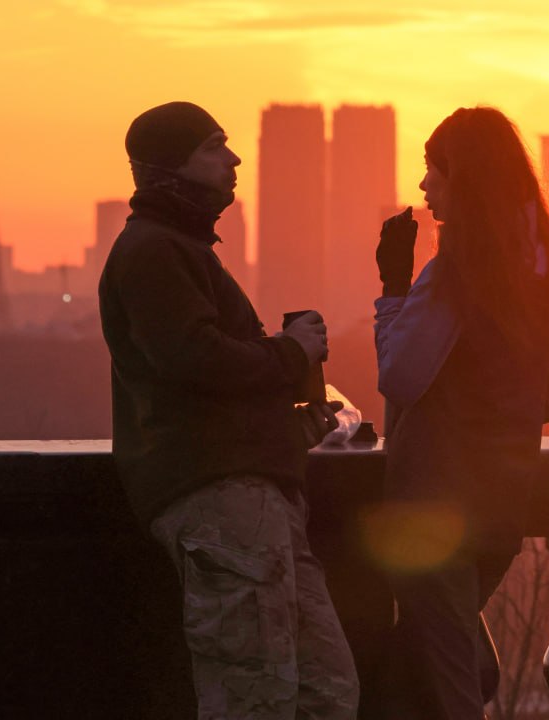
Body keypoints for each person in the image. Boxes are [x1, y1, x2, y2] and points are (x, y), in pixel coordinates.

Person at [98, 101, 359, 719]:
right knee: (255, 695)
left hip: (250, 504)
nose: (233, 158)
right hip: (223, 504)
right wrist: (292, 355)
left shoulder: (174, 247)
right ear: (172, 165)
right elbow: (195, 360)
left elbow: (200, 383)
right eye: (215, 146)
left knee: (322, 691)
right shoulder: (155, 251)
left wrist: (285, 423)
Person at [372, 106, 549, 719]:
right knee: (414, 677)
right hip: (498, 510)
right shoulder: (537, 274)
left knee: (447, 685)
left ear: (464, 177)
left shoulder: (457, 272)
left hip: (431, 512)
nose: (424, 186)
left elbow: (400, 376)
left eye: (434, 170)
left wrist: (392, 291)